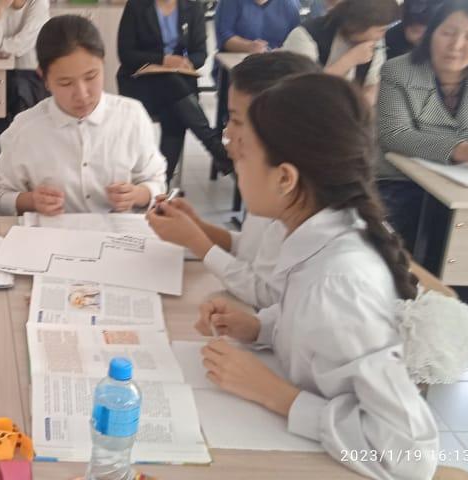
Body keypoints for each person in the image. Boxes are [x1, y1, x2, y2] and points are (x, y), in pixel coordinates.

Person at [174, 74, 439, 479]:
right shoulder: (321, 235)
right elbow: (319, 333)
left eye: (243, 154)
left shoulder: (340, 283)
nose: (234, 163)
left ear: (285, 178)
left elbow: (410, 458)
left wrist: (276, 395)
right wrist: (260, 327)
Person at [148, 51, 319, 310]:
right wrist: (198, 227)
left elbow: (267, 294)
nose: (227, 131)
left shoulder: (296, 206)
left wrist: (197, 242)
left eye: (237, 120)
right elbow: (250, 250)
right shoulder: (268, 185)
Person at [376, 0, 468, 359]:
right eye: (448, 33)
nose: (457, 45)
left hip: (466, 186)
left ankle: (457, 321)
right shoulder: (399, 70)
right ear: (430, 33)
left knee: (467, 236)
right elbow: (394, 135)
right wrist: (461, 149)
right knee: (407, 239)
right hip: (401, 179)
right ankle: (410, 320)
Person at [0, 15, 167, 216]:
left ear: (103, 63)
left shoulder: (131, 116)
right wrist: (31, 201)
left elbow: (156, 181)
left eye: (91, 77)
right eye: (65, 83)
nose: (82, 94)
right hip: (52, 233)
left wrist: (138, 195)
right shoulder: (25, 129)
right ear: (44, 78)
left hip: (118, 232)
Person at [117, 0, 231, 182]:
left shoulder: (193, 8)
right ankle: (213, 146)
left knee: (175, 108)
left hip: (178, 87)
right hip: (141, 83)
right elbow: (126, 54)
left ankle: (161, 183)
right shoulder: (137, 6)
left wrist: (185, 62)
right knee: (175, 94)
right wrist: (163, 60)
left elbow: (200, 54)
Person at [281, 0, 400, 104]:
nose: (382, 36)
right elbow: (303, 90)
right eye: (381, 30)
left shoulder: (374, 41)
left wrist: (363, 104)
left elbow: (373, 84)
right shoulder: (306, 35)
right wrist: (349, 60)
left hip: (347, 112)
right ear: (359, 25)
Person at [0, 0, 50, 156]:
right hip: (3, 71)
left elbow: (24, 43)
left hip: (32, 73)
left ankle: (21, 145)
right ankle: (2, 141)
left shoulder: (38, 4)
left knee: (17, 88)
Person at [211, 0, 300, 127]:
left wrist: (281, 51)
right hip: (237, 69)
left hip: (277, 69)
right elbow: (224, 36)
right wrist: (248, 46)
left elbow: (296, 37)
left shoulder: (289, 5)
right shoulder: (229, 3)